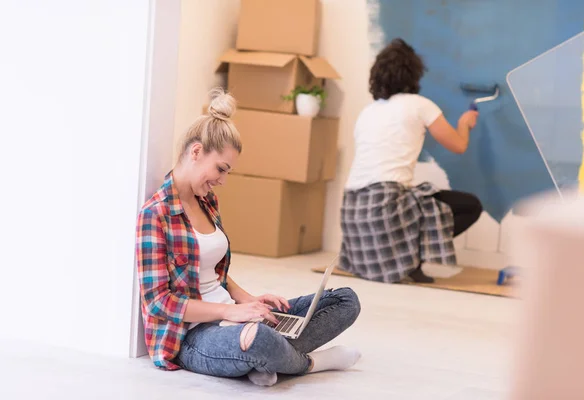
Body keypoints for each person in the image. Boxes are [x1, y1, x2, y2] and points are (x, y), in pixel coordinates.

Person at [135, 88, 361, 387]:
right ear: (196, 151)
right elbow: (159, 303)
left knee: (345, 301)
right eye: (221, 169)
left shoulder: (207, 201)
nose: (222, 181)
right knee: (260, 340)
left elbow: (214, 273)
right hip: (195, 335)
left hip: (235, 315)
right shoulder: (155, 214)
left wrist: (249, 300)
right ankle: (310, 363)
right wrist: (232, 311)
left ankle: (261, 359)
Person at [340, 38, 483, 284]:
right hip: (384, 205)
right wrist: (464, 124)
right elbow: (459, 145)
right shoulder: (420, 105)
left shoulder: (369, 111)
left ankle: (403, 262)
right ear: (414, 74)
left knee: (422, 198)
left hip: (353, 212)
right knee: (470, 205)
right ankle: (411, 262)